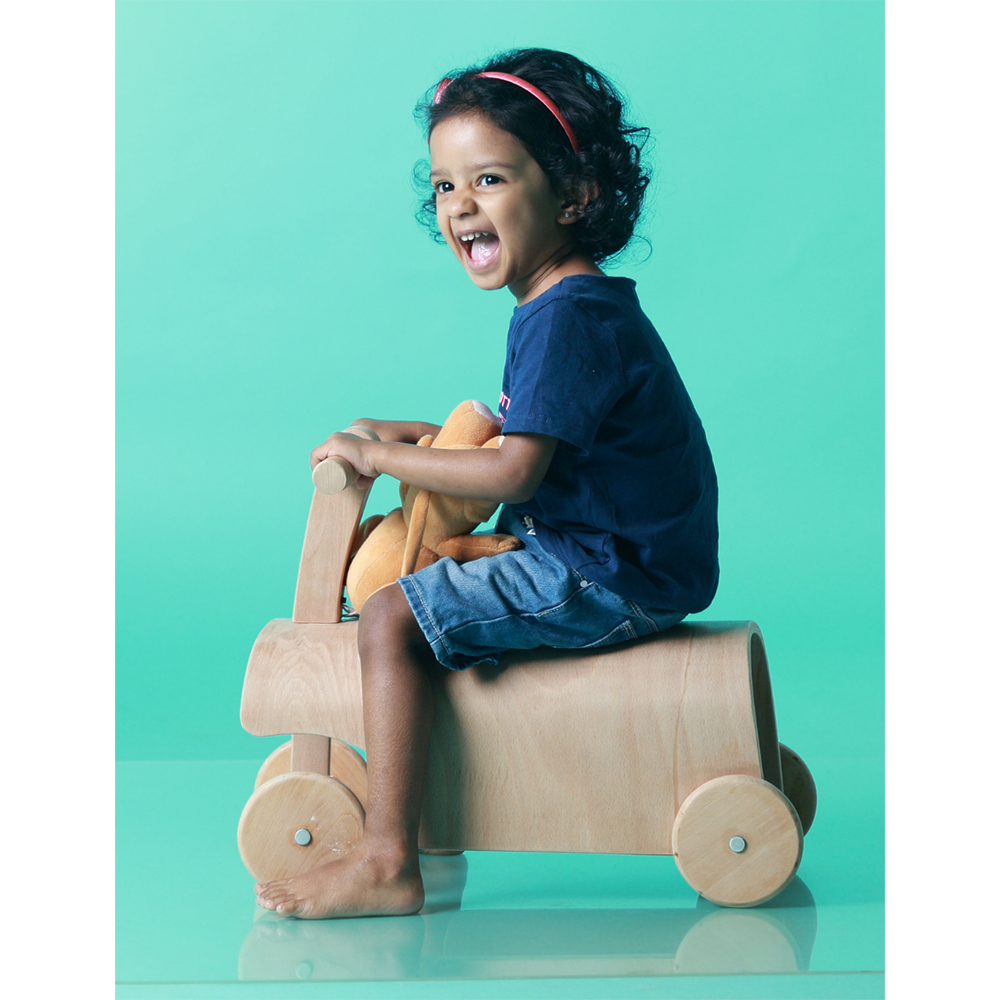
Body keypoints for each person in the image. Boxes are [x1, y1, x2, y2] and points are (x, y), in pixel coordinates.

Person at [255, 48, 719, 919]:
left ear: (573, 195)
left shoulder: (565, 316)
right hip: (619, 547)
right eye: (444, 186)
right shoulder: (568, 303)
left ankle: (388, 860)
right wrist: (403, 432)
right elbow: (524, 437)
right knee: (435, 580)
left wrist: (379, 460)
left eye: (490, 179)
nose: (460, 204)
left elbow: (511, 467)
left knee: (390, 616)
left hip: (609, 570)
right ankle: (420, 792)